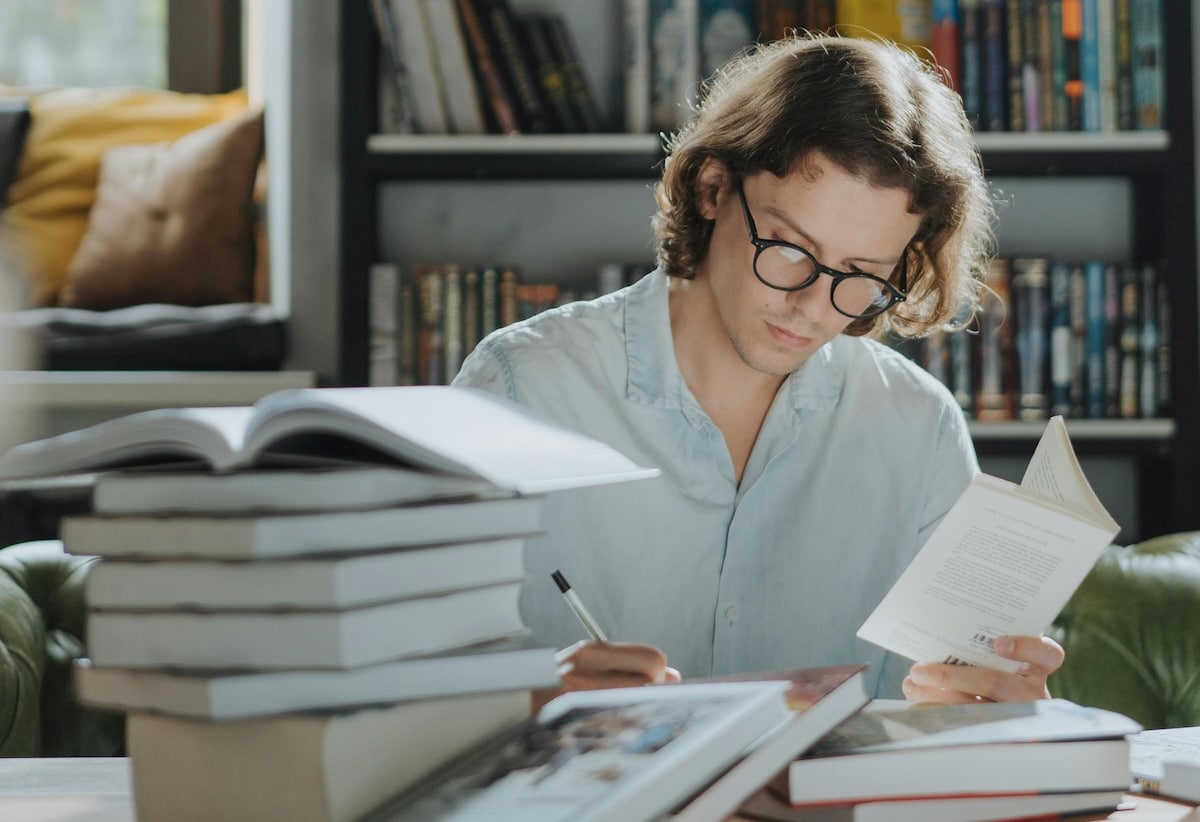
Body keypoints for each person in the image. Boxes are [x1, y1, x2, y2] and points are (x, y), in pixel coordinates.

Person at [453, 35, 1065, 706]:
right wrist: (524, 699)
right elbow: (407, 700)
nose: (808, 304)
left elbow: (950, 724)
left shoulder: (917, 429)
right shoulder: (519, 389)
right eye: (790, 248)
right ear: (713, 187)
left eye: (861, 275)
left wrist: (999, 708)